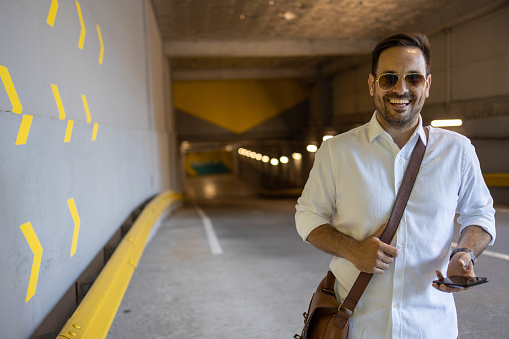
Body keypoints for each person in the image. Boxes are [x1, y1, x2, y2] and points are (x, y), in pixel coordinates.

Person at [295, 32, 496, 339]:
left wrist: (464, 254)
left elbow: (480, 214)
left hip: (430, 327)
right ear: (372, 84)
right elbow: (307, 216)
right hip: (358, 326)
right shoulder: (337, 151)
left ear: (427, 85)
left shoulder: (458, 150)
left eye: (413, 78)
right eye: (389, 78)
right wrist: (353, 250)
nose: (401, 89)